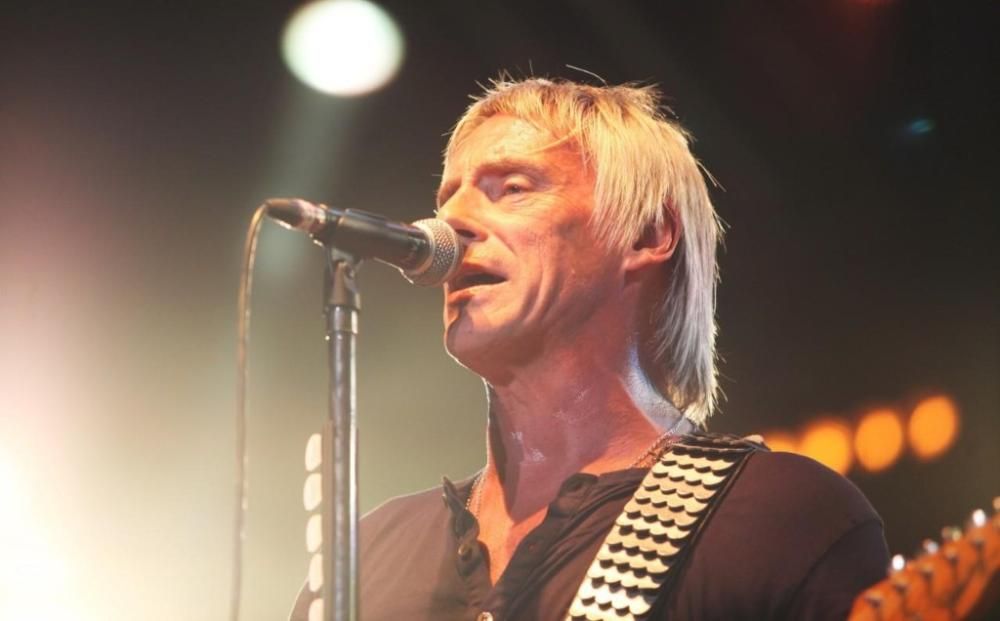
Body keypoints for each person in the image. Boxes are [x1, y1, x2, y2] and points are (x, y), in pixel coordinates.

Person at [290, 77, 888, 621]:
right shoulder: (366, 558)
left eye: (512, 188)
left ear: (646, 233)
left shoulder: (781, 520)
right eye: (447, 198)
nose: (449, 223)